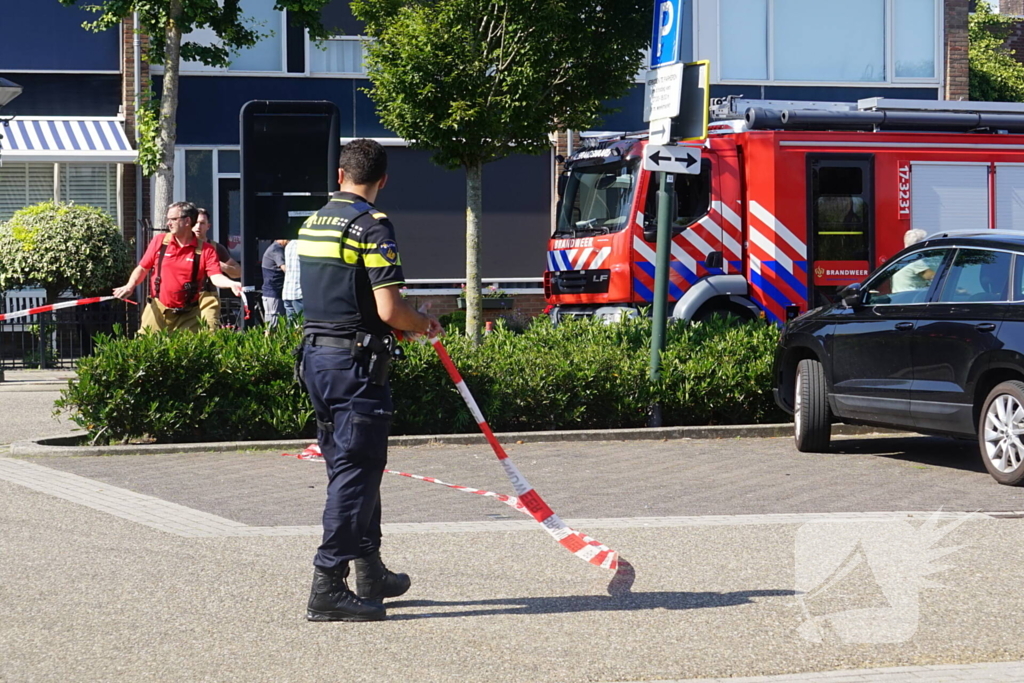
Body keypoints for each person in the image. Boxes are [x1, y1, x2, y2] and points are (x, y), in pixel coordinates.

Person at [298, 138, 441, 622]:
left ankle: (370, 570)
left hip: (316, 361)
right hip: (356, 367)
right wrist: (422, 322)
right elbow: (389, 309)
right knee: (357, 472)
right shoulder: (371, 226)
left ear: (339, 175)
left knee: (351, 468)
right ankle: (328, 583)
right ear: (383, 180)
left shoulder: (313, 222)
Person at [113, 202, 242, 332]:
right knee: (146, 349)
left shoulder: (207, 249)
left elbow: (216, 276)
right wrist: (130, 286)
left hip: (189, 313)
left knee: (195, 349)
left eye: (173, 219)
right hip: (157, 309)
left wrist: (231, 284)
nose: (169, 223)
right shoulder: (160, 241)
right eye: (168, 219)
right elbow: (142, 268)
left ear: (187, 221)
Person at [194, 207, 241, 329]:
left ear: (208, 226)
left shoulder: (216, 248)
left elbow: (238, 272)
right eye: (195, 223)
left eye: (202, 223)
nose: (198, 226)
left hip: (208, 295)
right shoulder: (181, 246)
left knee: (211, 331)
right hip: (184, 296)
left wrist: (222, 266)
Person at [261, 239, 288, 330]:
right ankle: (267, 343)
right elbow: (285, 268)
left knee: (275, 323)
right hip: (273, 293)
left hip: (274, 292)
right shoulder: (276, 249)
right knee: (273, 324)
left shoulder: (275, 248)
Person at [282, 238, 303, 320]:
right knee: (302, 325)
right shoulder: (303, 245)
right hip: (299, 292)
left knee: (291, 328)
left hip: (288, 292)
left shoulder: (289, 245)